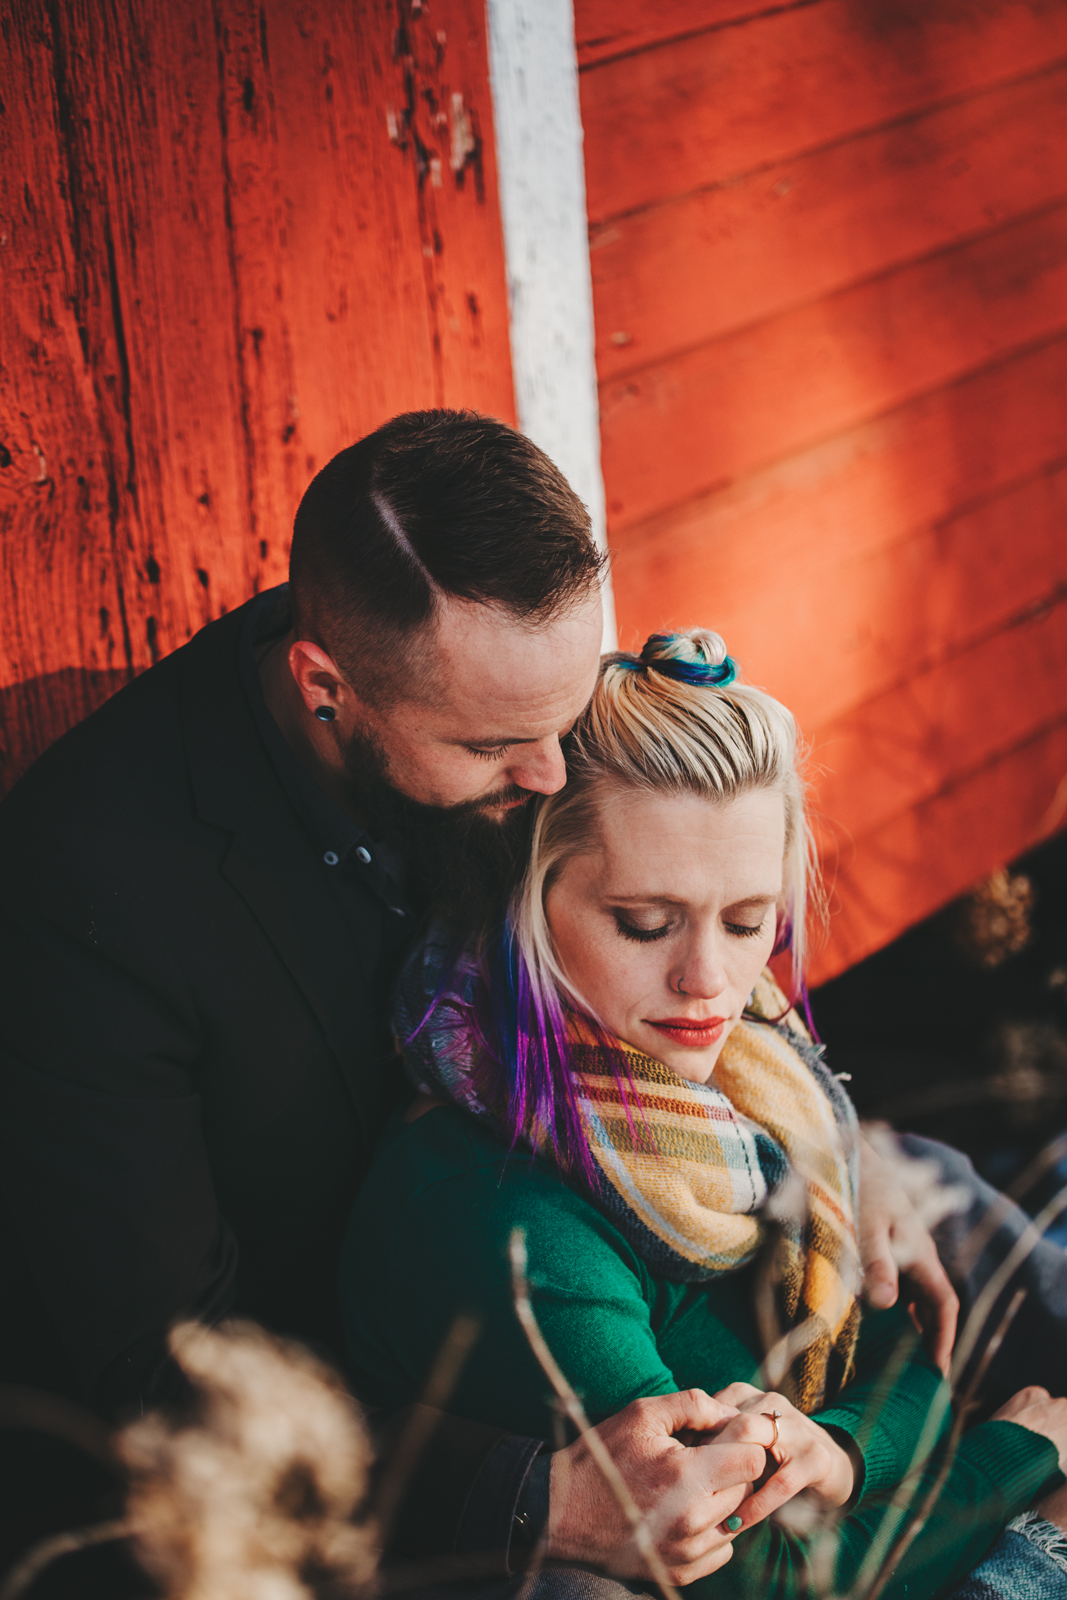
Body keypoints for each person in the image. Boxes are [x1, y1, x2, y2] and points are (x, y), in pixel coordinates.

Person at [0, 407, 1010, 1588]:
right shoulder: (89, 897)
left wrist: (829, 1141)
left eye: (567, 713)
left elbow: (691, 902)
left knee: (962, 1221)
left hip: (593, 1182)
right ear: (326, 685)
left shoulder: (492, 699)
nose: (548, 777)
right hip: (366, 1415)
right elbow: (162, 1375)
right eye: (497, 750)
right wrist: (533, 1496)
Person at [342, 628, 1067, 1600]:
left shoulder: (753, 1072)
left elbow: (899, 1337)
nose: (708, 983)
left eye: (743, 922)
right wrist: (1012, 1459)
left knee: (931, 1179)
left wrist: (849, 1449)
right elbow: (767, 1579)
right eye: (643, 923)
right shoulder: (510, 1218)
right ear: (523, 895)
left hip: (858, 1511)